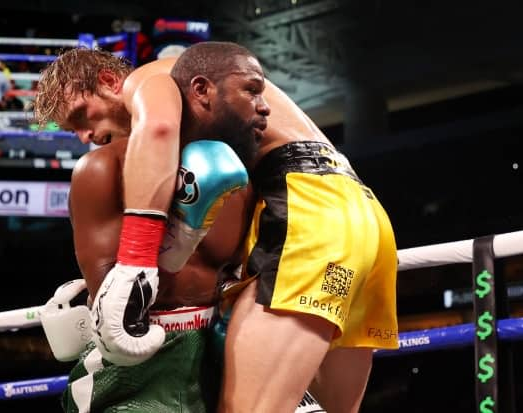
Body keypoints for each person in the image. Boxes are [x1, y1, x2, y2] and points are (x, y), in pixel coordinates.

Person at [169, 42, 399, 412]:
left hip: (309, 210)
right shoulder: (232, 118)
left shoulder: (154, 86)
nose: (87, 136)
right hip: (358, 211)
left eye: (82, 118)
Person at [33, 47, 258, 412]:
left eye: (80, 117)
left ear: (109, 82)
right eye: (73, 131)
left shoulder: (234, 173)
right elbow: (111, 295)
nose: (85, 136)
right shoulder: (102, 169)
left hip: (211, 355)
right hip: (151, 361)